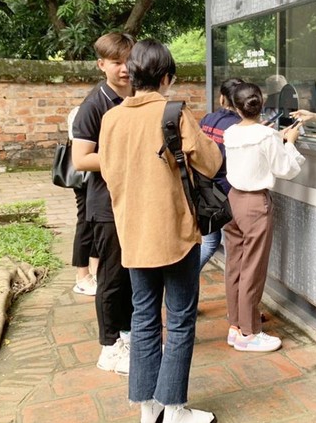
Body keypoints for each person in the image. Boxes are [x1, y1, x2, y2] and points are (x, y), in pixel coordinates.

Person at [99, 40, 222, 423]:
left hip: (133, 234)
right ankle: (174, 408)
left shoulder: (112, 119)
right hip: (175, 233)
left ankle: (147, 407)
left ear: (132, 75)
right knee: (181, 318)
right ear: (166, 76)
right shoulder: (174, 113)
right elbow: (212, 163)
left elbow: (107, 171)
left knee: (144, 316)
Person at [223, 82, 305, 352]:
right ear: (261, 103)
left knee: (235, 264)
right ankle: (249, 332)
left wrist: (274, 138)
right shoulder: (265, 136)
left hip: (233, 201)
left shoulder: (231, 132)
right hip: (255, 204)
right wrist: (290, 144)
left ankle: (236, 326)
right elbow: (286, 169)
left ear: (235, 107)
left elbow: (254, 144)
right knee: (253, 268)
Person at [71, 31, 136, 376]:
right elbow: (81, 159)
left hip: (131, 201)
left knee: (127, 276)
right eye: (116, 62)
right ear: (102, 65)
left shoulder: (136, 96)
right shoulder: (94, 104)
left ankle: (126, 337)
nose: (125, 69)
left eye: (128, 61)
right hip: (106, 206)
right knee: (110, 278)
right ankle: (108, 347)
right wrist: (126, 156)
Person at [198, 77, 244, 270]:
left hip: (205, 188)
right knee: (215, 243)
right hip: (226, 192)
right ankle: (183, 280)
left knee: (210, 240)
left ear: (222, 98)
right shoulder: (239, 126)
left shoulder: (208, 119)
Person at [68, 106, 98, 296]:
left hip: (96, 177)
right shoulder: (84, 111)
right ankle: (81, 276)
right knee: (85, 223)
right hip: (85, 176)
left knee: (96, 222)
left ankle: (94, 273)